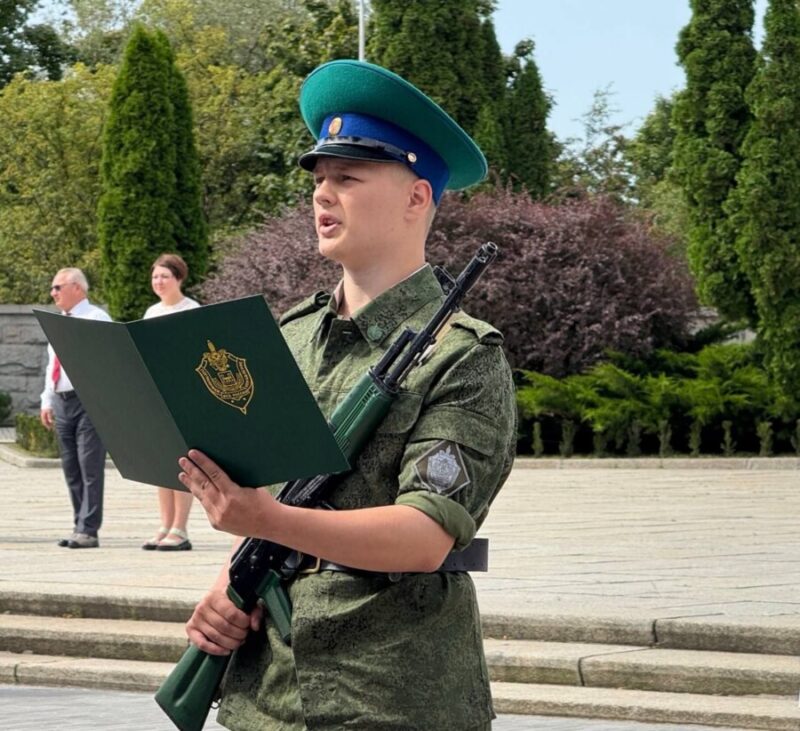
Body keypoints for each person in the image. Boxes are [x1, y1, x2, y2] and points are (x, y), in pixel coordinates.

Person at [179, 60, 517, 730]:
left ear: (416, 197)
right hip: (266, 696)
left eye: (348, 178)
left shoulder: (463, 355)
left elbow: (423, 534)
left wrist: (265, 521)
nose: (323, 195)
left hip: (388, 695)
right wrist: (230, 583)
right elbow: (269, 492)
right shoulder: (292, 335)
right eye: (318, 179)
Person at [40, 268, 111, 549]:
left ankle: (88, 529)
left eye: (58, 287)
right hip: (62, 400)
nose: (53, 293)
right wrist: (47, 400)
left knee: (89, 465)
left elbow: (108, 361)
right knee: (71, 467)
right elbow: (52, 365)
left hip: (87, 401)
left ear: (77, 288)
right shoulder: (59, 323)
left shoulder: (96, 319)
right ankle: (78, 524)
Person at [141, 253, 200, 552]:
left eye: (164, 276)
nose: (159, 282)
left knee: (180, 461)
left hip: (183, 394)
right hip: (155, 394)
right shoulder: (151, 312)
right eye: (155, 277)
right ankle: (165, 524)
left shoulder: (192, 310)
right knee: (161, 461)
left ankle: (180, 528)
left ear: (178, 278)